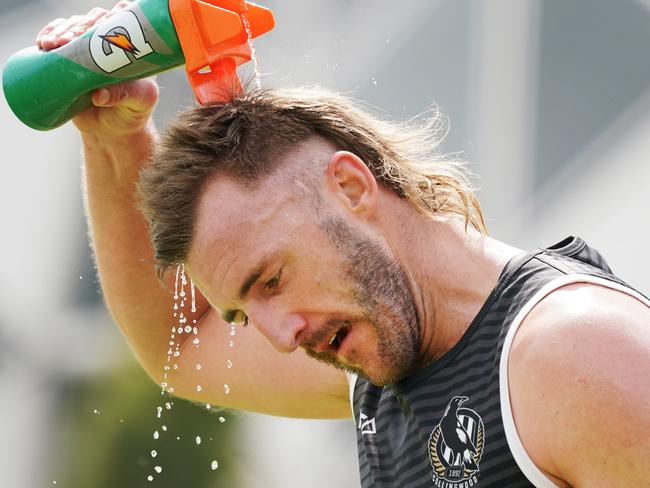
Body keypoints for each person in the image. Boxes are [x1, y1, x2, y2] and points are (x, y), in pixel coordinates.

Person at [37, 4, 650, 487]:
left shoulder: (575, 357)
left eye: (271, 279)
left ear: (352, 186)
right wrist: (114, 141)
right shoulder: (382, 360)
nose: (278, 336)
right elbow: (182, 349)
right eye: (245, 312)